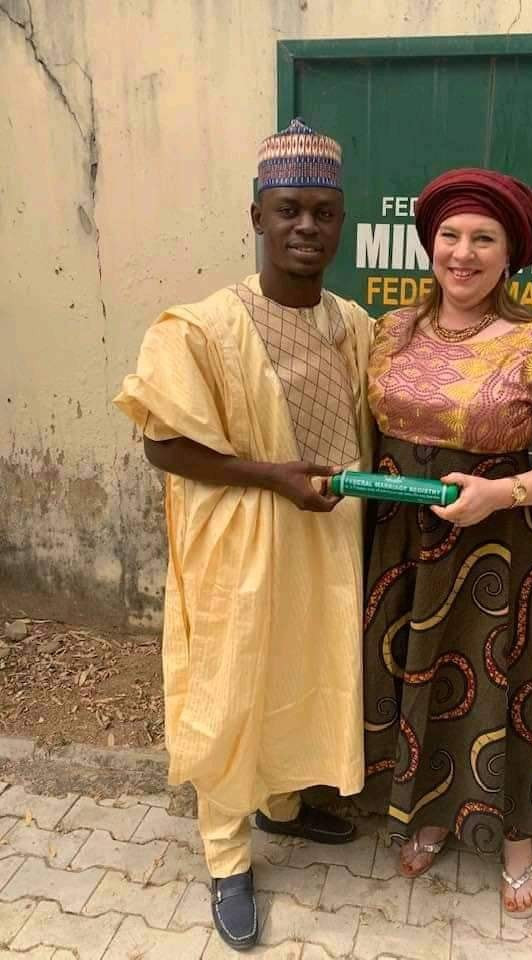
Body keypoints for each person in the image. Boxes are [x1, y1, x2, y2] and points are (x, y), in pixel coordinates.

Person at [114, 119, 374, 950]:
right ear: (256, 216)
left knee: (306, 672)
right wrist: (272, 477)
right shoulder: (198, 328)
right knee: (231, 689)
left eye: (323, 213)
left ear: (342, 222)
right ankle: (227, 855)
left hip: (326, 542)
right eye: (288, 209)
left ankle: (284, 805)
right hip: (240, 544)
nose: (306, 227)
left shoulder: (353, 324)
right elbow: (162, 445)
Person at [361, 168, 532, 918]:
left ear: (511, 254)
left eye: (483, 239)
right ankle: (431, 810)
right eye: (450, 236)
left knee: (499, 682)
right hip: (399, 542)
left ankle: (517, 841)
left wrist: (500, 494)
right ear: (430, 243)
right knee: (417, 674)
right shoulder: (391, 331)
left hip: (494, 547)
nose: (462, 254)